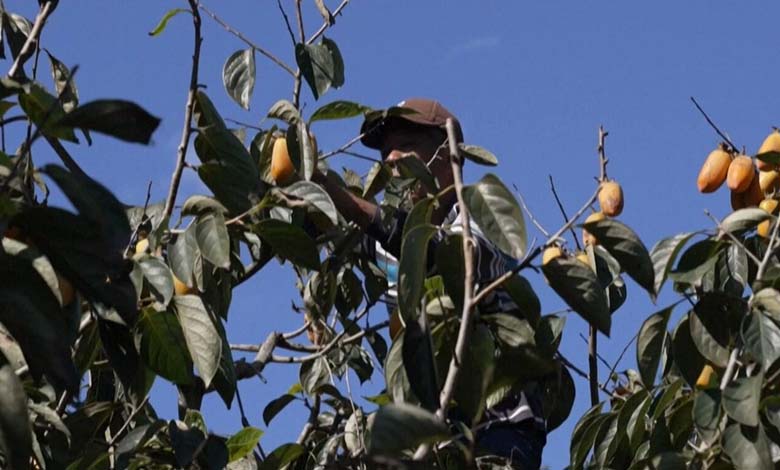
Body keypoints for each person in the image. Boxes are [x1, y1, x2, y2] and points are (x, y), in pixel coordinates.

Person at [315, 98, 546, 468]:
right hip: (434, 435)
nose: (390, 159)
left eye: (405, 145)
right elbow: (324, 231)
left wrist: (343, 199)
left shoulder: (483, 218)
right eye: (385, 151)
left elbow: (440, 254)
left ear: (447, 151)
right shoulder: (386, 241)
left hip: (499, 431)